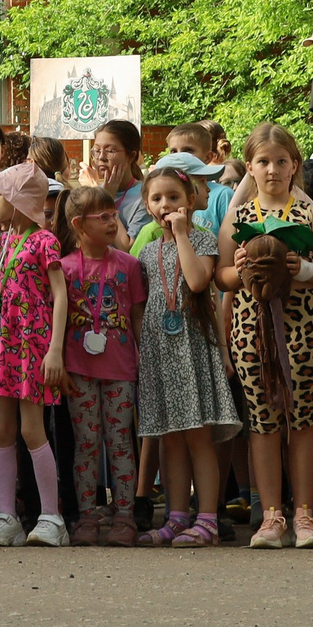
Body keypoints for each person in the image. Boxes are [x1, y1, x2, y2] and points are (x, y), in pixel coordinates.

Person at [217, 123, 313, 549]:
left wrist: (301, 268)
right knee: (263, 422)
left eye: (281, 161)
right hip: (251, 333)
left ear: (294, 166)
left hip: (304, 332)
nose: (272, 169)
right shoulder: (238, 216)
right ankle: (271, 515)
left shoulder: (310, 213)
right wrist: (242, 269)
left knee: (304, 418)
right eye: (264, 162)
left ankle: (305, 512)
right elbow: (222, 278)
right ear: (250, 167)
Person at [131, 162, 239, 546]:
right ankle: (176, 516)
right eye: (157, 199)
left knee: (197, 437)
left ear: (190, 200)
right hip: (161, 352)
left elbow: (196, 282)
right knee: (169, 438)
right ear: (146, 205)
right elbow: (141, 308)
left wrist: (181, 236)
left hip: (193, 350)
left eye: (173, 197)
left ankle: (207, 517)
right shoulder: (145, 254)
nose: (166, 205)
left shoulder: (204, 240)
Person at [0, 163, 68, 548]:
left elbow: (60, 294)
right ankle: (6, 515)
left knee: (32, 428)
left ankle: (52, 516)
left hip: (32, 345)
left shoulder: (44, 240)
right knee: (1, 430)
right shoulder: (5, 242)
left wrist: (56, 349)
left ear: (19, 201)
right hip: (2, 346)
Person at [59, 186, 143, 545]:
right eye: (104, 217)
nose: (114, 222)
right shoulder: (62, 269)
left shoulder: (129, 265)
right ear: (79, 224)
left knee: (121, 441)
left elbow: (138, 318)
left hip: (121, 369)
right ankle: (88, 516)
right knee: (87, 443)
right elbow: (58, 324)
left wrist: (144, 362)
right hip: (79, 370)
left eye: (114, 214)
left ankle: (124, 516)